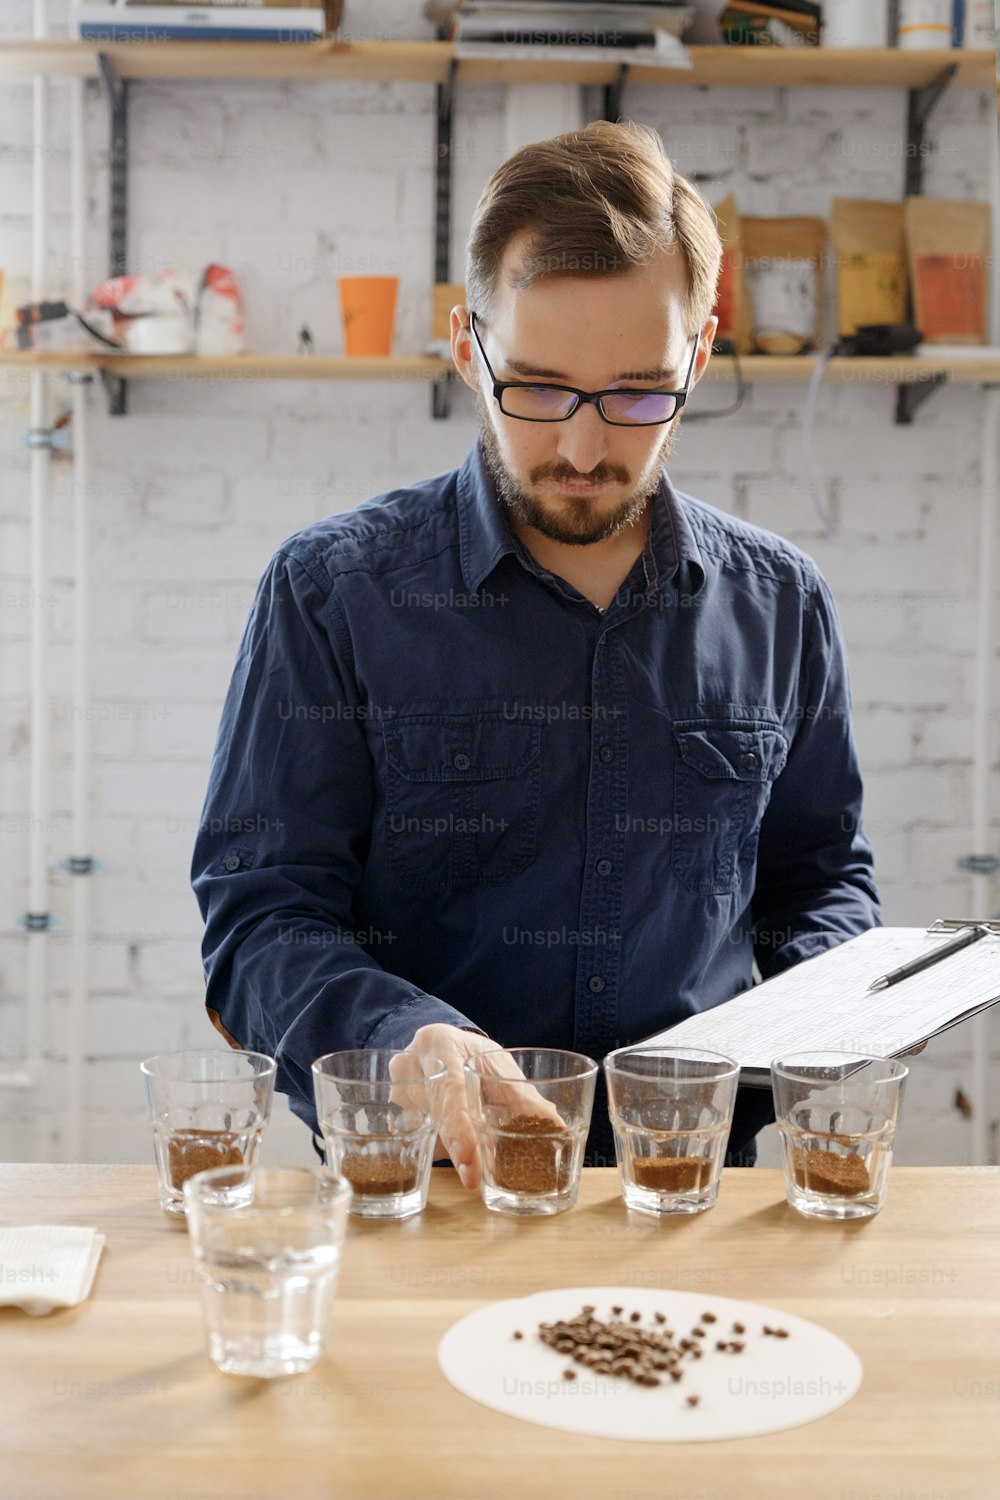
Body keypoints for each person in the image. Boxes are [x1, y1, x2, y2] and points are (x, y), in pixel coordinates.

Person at [191, 121, 880, 1186]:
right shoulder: (331, 592)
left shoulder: (780, 602)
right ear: (468, 348)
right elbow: (259, 919)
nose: (583, 447)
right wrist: (398, 1035)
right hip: (416, 1190)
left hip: (690, 1195)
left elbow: (819, 880)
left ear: (698, 356)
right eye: (540, 387)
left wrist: (836, 996)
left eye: (640, 392)